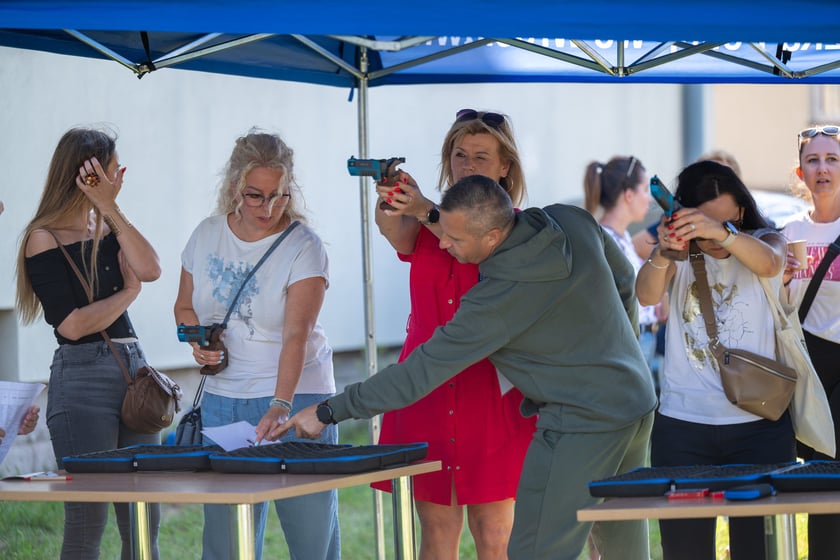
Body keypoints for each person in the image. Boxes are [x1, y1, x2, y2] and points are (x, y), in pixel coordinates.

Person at [262, 174, 658, 560]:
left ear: (492, 237)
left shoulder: (496, 300)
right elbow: (623, 279)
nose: (443, 242)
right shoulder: (570, 219)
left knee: (537, 549)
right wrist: (621, 352)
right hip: (635, 400)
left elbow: (421, 371)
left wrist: (330, 410)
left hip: (580, 422)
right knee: (621, 537)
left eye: (454, 238)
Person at [371, 108, 536, 559]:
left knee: (496, 532)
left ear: (505, 167)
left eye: (481, 156)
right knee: (438, 531)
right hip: (426, 385)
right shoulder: (427, 224)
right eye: (459, 154)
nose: (467, 165)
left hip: (490, 389)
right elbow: (392, 230)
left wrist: (426, 209)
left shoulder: (515, 227)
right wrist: (391, 198)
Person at [174, 129, 339, 560]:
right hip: (224, 400)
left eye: (278, 195)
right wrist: (199, 345)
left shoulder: (305, 246)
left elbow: (295, 335)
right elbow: (184, 309)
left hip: (295, 399)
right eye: (255, 195)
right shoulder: (206, 234)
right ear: (234, 188)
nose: (267, 208)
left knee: (310, 539)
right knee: (226, 542)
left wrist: (281, 404)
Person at [15, 126, 163, 559]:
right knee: (88, 517)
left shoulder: (107, 224)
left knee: (142, 516)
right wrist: (129, 294)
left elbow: (151, 268)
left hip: (133, 369)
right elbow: (72, 326)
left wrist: (110, 208)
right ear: (88, 174)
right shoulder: (44, 236)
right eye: (113, 168)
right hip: (82, 377)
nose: (121, 175)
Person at [636, 160, 795, 560]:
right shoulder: (679, 255)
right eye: (702, 224)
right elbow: (645, 296)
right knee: (685, 550)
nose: (712, 240)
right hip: (683, 428)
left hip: (759, 426)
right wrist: (663, 252)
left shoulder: (764, 239)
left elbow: (771, 263)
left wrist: (720, 233)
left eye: (726, 222)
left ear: (740, 211)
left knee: (756, 550)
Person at [782, 124, 840, 560]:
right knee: (821, 473)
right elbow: (778, 307)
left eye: (832, 159)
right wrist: (779, 277)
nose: (823, 168)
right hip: (809, 363)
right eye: (814, 160)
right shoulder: (787, 232)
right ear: (799, 172)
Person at [584, 156, 664, 386]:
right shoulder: (605, 240)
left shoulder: (623, 237)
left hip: (640, 341)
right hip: (627, 344)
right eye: (644, 190)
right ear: (628, 195)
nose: (649, 199)